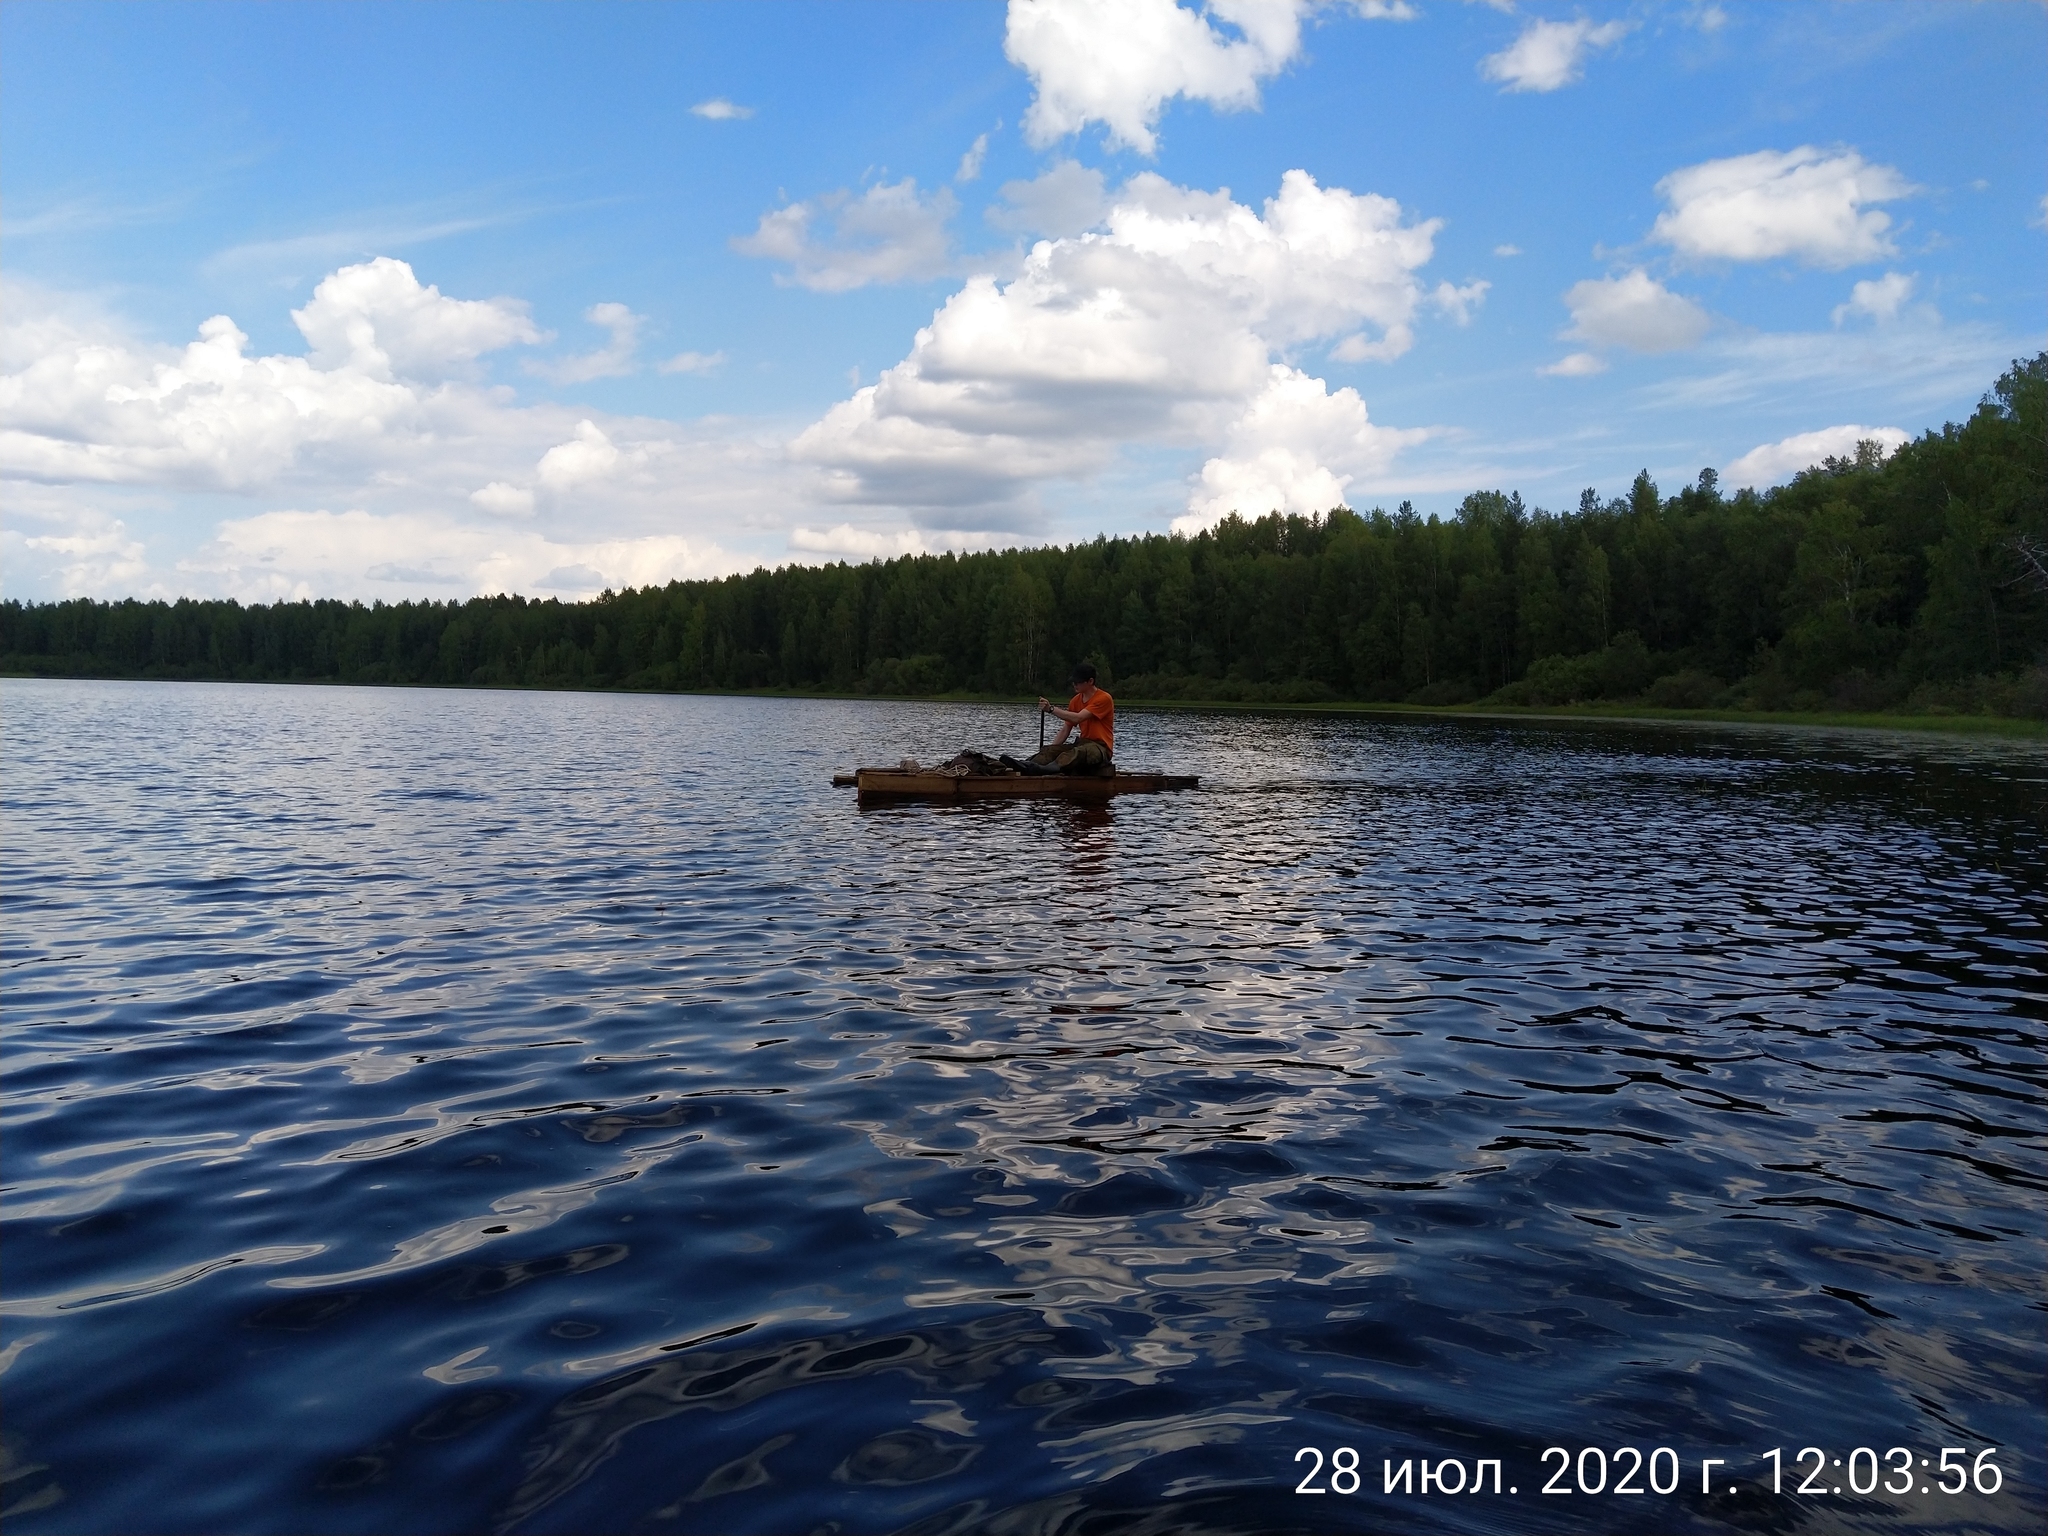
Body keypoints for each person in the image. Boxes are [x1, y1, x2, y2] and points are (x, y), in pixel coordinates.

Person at [1004, 663, 1114, 775]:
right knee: (1049, 751)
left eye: (1078, 682)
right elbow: (1066, 729)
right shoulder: (1075, 701)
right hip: (1082, 743)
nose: (1074, 684)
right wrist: (1051, 750)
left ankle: (1049, 769)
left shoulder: (1104, 698)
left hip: (1101, 748)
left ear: (1090, 681)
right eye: (1073, 682)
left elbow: (1078, 718)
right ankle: (1025, 765)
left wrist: (1051, 709)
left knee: (1077, 752)